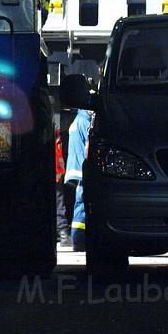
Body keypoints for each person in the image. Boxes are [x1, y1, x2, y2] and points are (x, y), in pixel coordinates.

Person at [64, 107, 93, 252]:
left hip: (75, 169)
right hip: (83, 169)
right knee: (82, 203)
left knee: (80, 202)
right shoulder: (85, 122)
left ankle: (79, 239)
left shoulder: (77, 120)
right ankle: (79, 240)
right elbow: (90, 146)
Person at [55, 126, 72, 247]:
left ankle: (63, 234)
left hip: (55, 172)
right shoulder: (54, 135)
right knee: (59, 203)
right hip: (56, 173)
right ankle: (63, 235)